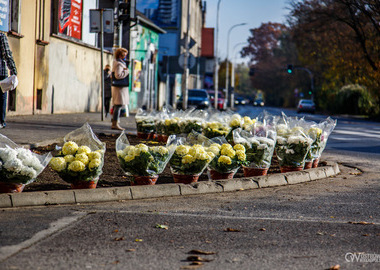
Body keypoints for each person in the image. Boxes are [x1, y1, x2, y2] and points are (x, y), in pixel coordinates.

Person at [0, 32, 17, 129]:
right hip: (1, 73)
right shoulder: (1, 36)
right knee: (2, 97)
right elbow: (7, 54)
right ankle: (1, 121)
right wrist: (13, 70)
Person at [111, 48, 129, 130]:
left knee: (117, 105)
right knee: (118, 105)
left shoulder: (119, 63)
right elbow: (118, 75)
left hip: (119, 88)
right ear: (119, 55)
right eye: (123, 55)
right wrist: (126, 72)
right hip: (119, 88)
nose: (125, 57)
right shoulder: (119, 64)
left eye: (125, 55)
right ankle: (115, 123)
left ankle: (115, 122)